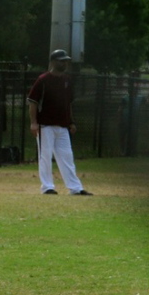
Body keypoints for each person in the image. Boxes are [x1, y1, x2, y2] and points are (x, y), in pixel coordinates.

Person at [28, 49, 93, 195]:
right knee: (45, 156)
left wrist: (71, 122)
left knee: (67, 156)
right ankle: (47, 187)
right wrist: (33, 122)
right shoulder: (43, 80)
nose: (64, 63)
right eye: (61, 60)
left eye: (65, 61)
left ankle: (75, 188)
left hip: (62, 126)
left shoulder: (67, 80)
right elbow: (32, 102)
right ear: (53, 61)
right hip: (45, 125)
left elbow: (68, 103)